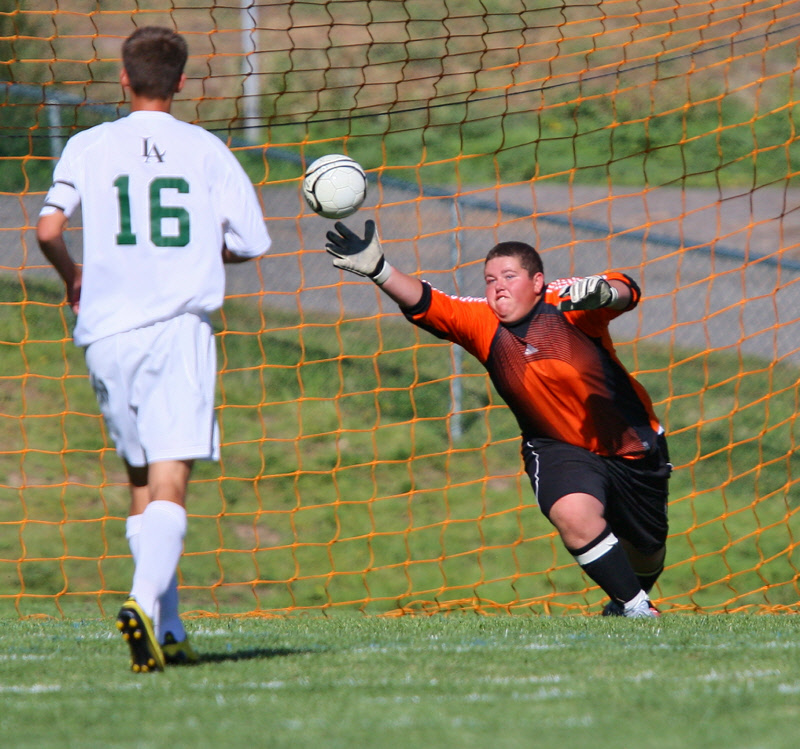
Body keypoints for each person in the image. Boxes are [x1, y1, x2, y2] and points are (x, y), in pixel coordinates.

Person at [36, 26, 271, 671]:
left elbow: (48, 228)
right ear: (182, 83)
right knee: (171, 478)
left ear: (124, 77)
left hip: (106, 334)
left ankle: (168, 631)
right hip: (177, 328)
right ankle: (142, 602)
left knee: (140, 479)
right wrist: (203, 250)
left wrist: (73, 276)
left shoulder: (87, 144)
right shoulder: (205, 149)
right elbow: (252, 242)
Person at [325, 220, 671, 618]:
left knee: (648, 550)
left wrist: (607, 293)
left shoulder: (569, 305)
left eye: (509, 276)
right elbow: (425, 300)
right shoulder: (481, 322)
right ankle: (638, 609)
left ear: (538, 281)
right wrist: (378, 269)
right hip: (556, 445)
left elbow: (626, 290)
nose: (498, 287)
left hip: (632, 444)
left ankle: (625, 600)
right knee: (572, 512)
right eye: (490, 279)